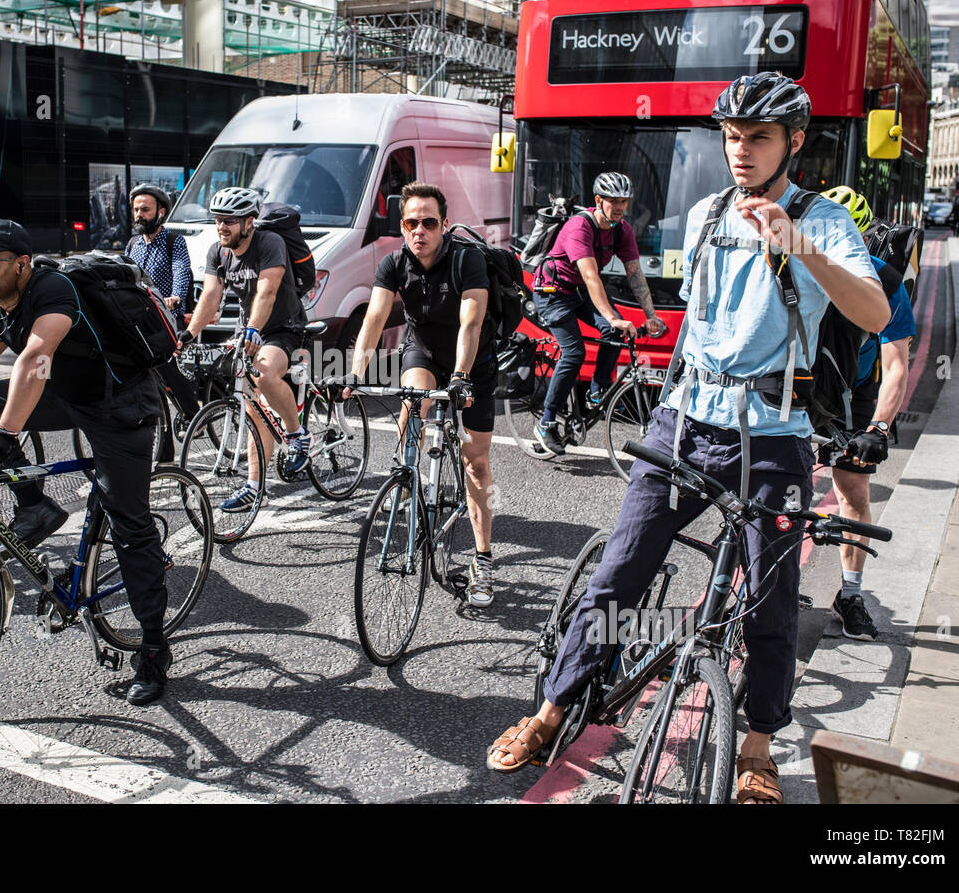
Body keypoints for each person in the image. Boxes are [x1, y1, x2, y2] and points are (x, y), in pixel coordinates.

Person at [486, 72, 890, 804]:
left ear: (793, 143)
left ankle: (758, 747)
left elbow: (872, 313)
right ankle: (550, 709)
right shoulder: (706, 211)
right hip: (683, 423)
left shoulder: (823, 219)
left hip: (773, 439)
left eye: (758, 138)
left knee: (771, 601)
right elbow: (699, 325)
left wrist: (799, 245)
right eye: (732, 137)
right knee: (620, 571)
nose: (740, 151)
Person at [0, 218, 172, 704]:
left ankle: (154, 650)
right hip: (67, 395)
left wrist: (6, 433)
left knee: (129, 527)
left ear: (21, 264)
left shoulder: (54, 291)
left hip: (119, 406)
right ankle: (34, 505)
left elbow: (35, 356)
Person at [337, 181, 500, 608]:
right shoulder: (393, 263)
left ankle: (483, 560)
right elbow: (374, 318)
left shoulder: (467, 261)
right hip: (423, 351)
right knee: (413, 405)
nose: (420, 230)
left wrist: (462, 375)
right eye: (411, 222)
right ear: (402, 225)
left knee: (476, 463)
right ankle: (407, 480)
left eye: (429, 222)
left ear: (444, 224)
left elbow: (471, 323)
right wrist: (355, 372)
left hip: (472, 363)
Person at [816, 187, 916, 641]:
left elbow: (897, 364)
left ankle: (850, 595)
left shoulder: (887, 284)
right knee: (772, 490)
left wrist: (878, 427)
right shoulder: (796, 267)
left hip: (852, 397)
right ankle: (766, 585)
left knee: (853, 494)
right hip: (792, 389)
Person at [183, 187, 309, 511]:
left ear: (249, 222)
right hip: (248, 330)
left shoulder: (270, 243)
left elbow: (267, 292)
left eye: (230, 221)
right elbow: (210, 296)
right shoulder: (218, 251)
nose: (222, 227)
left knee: (264, 375)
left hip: (284, 328)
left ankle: (296, 434)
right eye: (218, 220)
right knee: (253, 407)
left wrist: (254, 329)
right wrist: (187, 334)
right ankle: (254, 486)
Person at [531, 171, 668, 456]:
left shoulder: (622, 230)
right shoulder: (579, 227)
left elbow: (635, 274)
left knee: (613, 332)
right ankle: (546, 422)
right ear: (598, 200)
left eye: (624, 201)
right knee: (574, 352)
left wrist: (651, 314)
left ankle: (596, 391)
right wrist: (614, 316)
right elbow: (592, 277)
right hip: (551, 293)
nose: (619, 207)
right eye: (613, 200)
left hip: (577, 292)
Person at [124, 183, 198, 462]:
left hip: (167, 319)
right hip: (140, 321)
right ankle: (163, 446)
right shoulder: (132, 245)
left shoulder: (173, 241)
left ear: (161, 212)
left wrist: (175, 296)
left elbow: (181, 271)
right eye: (136, 210)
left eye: (145, 209)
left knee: (165, 368)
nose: (139, 215)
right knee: (147, 380)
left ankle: (193, 412)